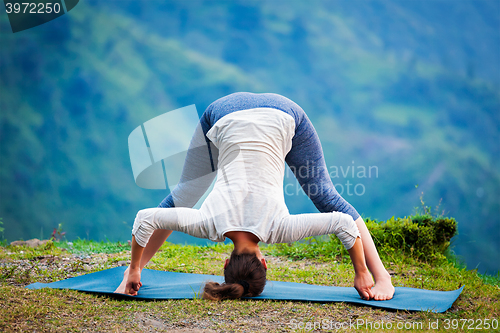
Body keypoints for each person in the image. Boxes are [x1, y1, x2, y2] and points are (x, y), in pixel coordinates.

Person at [115, 92, 395, 301]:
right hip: (223, 113)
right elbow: (145, 219)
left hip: (283, 114)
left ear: (264, 263)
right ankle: (382, 277)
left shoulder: (279, 229)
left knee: (327, 200)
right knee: (183, 197)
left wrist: (360, 273)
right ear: (225, 263)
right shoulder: (207, 224)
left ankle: (381, 278)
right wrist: (135, 268)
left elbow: (342, 223)